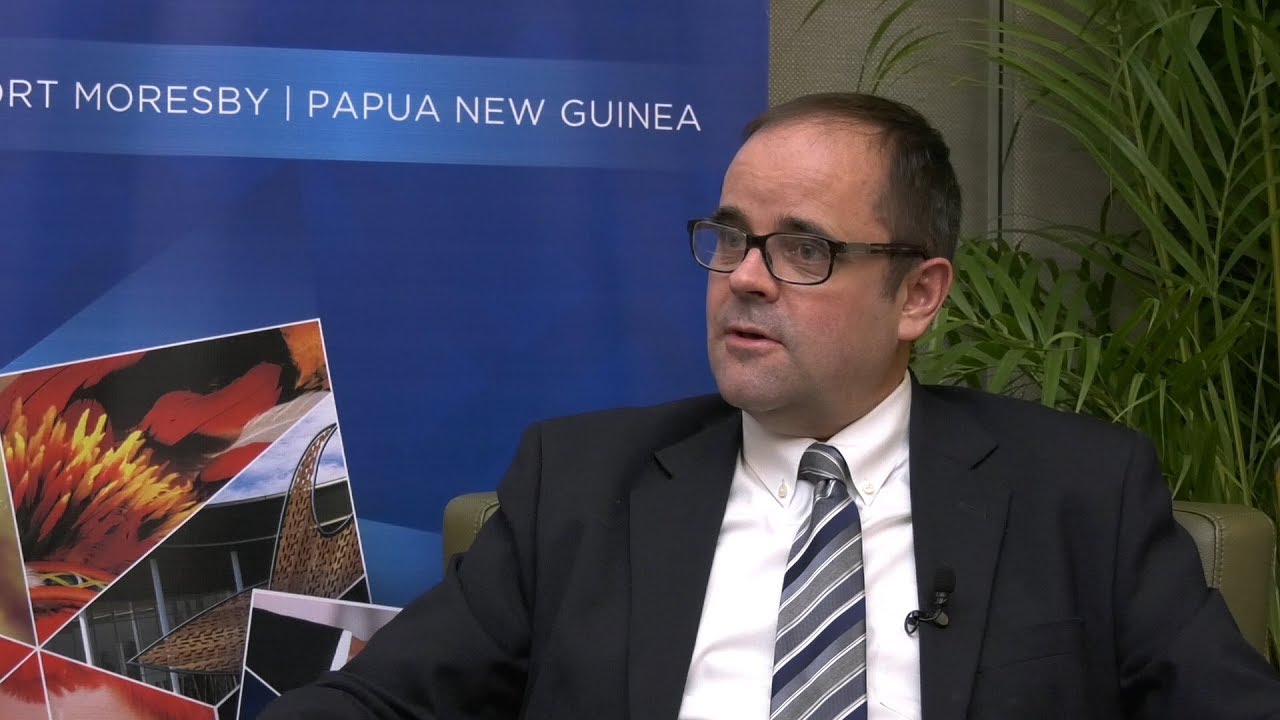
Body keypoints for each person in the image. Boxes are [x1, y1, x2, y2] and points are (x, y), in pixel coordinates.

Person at [261, 92, 1280, 719]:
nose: (743, 277)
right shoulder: (577, 484)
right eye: (729, 237)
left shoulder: (1079, 491)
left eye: (802, 248)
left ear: (918, 295)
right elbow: (380, 701)